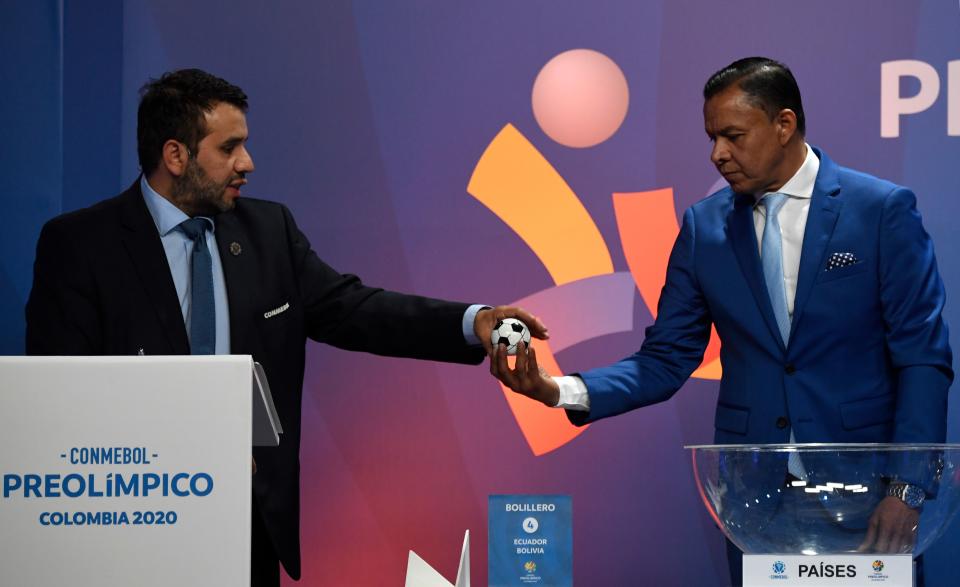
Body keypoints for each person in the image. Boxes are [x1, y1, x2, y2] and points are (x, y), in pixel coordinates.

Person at [25, 68, 547, 587]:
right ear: (175, 155)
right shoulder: (81, 246)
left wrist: (473, 321)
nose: (247, 164)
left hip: (249, 525)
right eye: (229, 148)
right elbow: (60, 399)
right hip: (130, 527)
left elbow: (354, 309)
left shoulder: (269, 231)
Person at [490, 57, 952, 585]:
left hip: (870, 499)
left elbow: (922, 358)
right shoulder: (702, 228)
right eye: (711, 138)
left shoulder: (881, 210)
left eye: (732, 136)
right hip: (757, 507)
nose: (717, 155)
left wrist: (906, 490)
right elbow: (665, 359)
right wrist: (557, 389)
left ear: (783, 124)